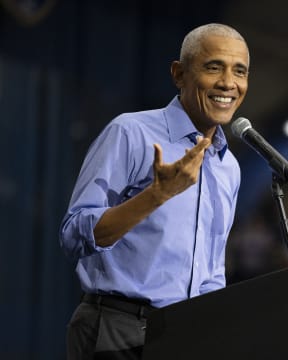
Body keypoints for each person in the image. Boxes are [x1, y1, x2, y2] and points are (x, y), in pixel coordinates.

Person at [59, 23, 249, 359]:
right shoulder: (131, 132)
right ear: (179, 74)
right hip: (115, 330)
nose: (228, 83)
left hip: (183, 335)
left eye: (240, 71)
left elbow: (211, 272)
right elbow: (74, 234)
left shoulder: (227, 166)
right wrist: (156, 196)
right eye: (213, 66)